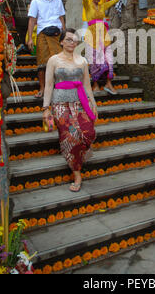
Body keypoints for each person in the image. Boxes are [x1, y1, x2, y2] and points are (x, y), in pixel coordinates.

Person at [43, 28, 98, 192]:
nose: (72, 43)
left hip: (80, 102)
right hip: (60, 104)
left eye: (75, 40)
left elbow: (87, 85)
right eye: (68, 39)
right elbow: (48, 85)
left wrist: (93, 103)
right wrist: (46, 108)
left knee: (88, 132)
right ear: (61, 41)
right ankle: (77, 173)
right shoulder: (53, 60)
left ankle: (83, 154)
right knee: (70, 137)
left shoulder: (82, 61)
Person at [27, 0, 66, 98]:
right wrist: (29, 38)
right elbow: (32, 20)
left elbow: (61, 18)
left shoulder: (58, 0)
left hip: (57, 34)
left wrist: (64, 34)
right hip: (42, 34)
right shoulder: (36, 1)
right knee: (42, 63)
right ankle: (43, 88)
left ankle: (58, 87)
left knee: (59, 62)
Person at [83, 0, 120, 94]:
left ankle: (109, 84)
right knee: (94, 60)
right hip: (92, 36)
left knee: (108, 58)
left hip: (103, 35)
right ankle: (95, 84)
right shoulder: (88, 5)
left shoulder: (102, 6)